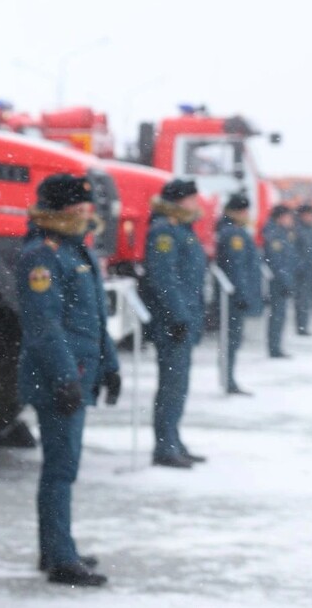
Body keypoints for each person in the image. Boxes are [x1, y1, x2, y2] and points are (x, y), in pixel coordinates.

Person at [17, 175, 121, 587]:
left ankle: (57, 548)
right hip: (58, 379)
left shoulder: (77, 250)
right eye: (77, 210)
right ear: (58, 212)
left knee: (65, 466)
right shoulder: (42, 256)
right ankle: (61, 558)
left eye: (86, 209)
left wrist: (110, 365)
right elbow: (44, 325)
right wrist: (64, 378)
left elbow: (94, 318)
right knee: (61, 468)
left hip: (78, 373)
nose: (85, 215)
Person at [141, 178, 207, 469]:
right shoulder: (165, 231)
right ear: (179, 201)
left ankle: (173, 440)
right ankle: (165, 446)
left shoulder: (182, 229)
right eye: (191, 199)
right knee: (171, 386)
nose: (196, 203)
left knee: (178, 385)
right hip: (172, 322)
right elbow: (163, 278)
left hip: (184, 318)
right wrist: (178, 316)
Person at [215, 194, 263, 395]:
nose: (247, 215)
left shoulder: (234, 231)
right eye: (244, 211)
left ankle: (229, 378)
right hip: (234, 298)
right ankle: (228, 380)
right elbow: (236, 268)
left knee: (232, 340)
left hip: (235, 295)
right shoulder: (234, 234)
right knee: (231, 340)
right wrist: (242, 294)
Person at [263, 205, 298, 358]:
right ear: (280, 217)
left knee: (280, 315)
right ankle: (274, 347)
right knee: (277, 315)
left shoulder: (283, 233)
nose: (291, 220)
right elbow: (276, 262)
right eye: (288, 217)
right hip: (278, 282)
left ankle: (276, 346)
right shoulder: (275, 234)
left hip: (283, 280)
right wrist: (285, 281)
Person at [293, 204, 312, 336]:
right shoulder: (297, 230)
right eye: (309, 215)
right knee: (302, 300)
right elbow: (294, 252)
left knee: (307, 299)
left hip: (311, 270)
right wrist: (300, 266)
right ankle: (301, 326)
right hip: (302, 272)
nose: (311, 217)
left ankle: (304, 325)